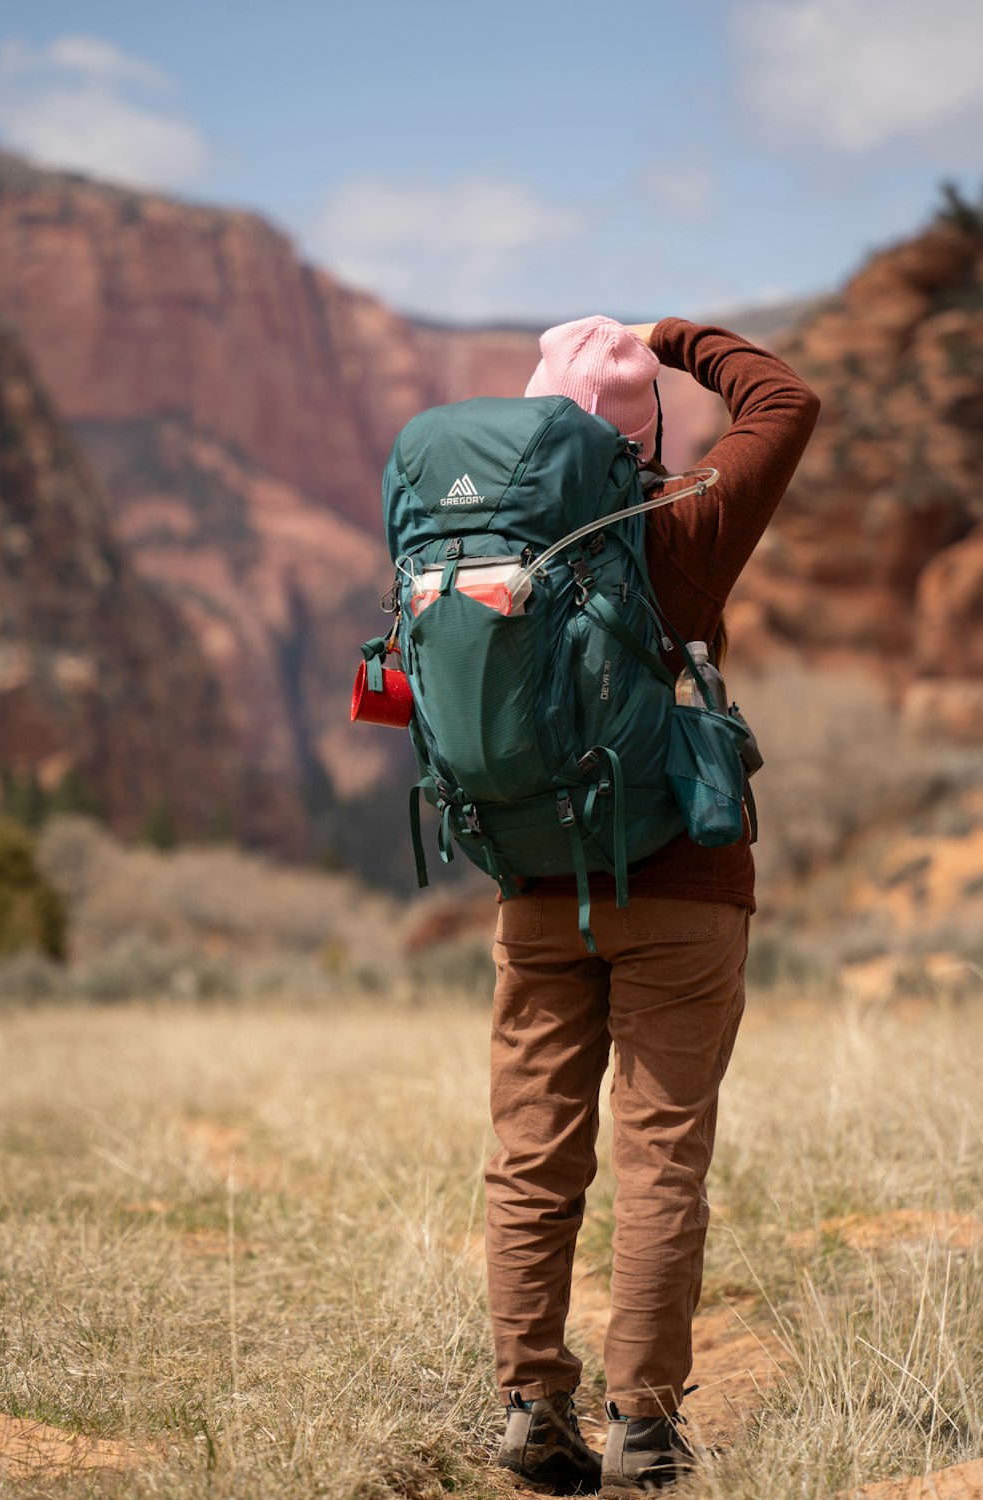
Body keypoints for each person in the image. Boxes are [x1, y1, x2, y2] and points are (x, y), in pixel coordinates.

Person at [487, 315, 820, 1495]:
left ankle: (531, 1400)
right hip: (683, 882)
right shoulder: (679, 522)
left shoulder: (487, 541)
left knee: (533, 1159)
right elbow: (783, 403)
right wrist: (673, 333)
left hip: (537, 886)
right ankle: (640, 1425)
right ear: (647, 433)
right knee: (662, 1155)